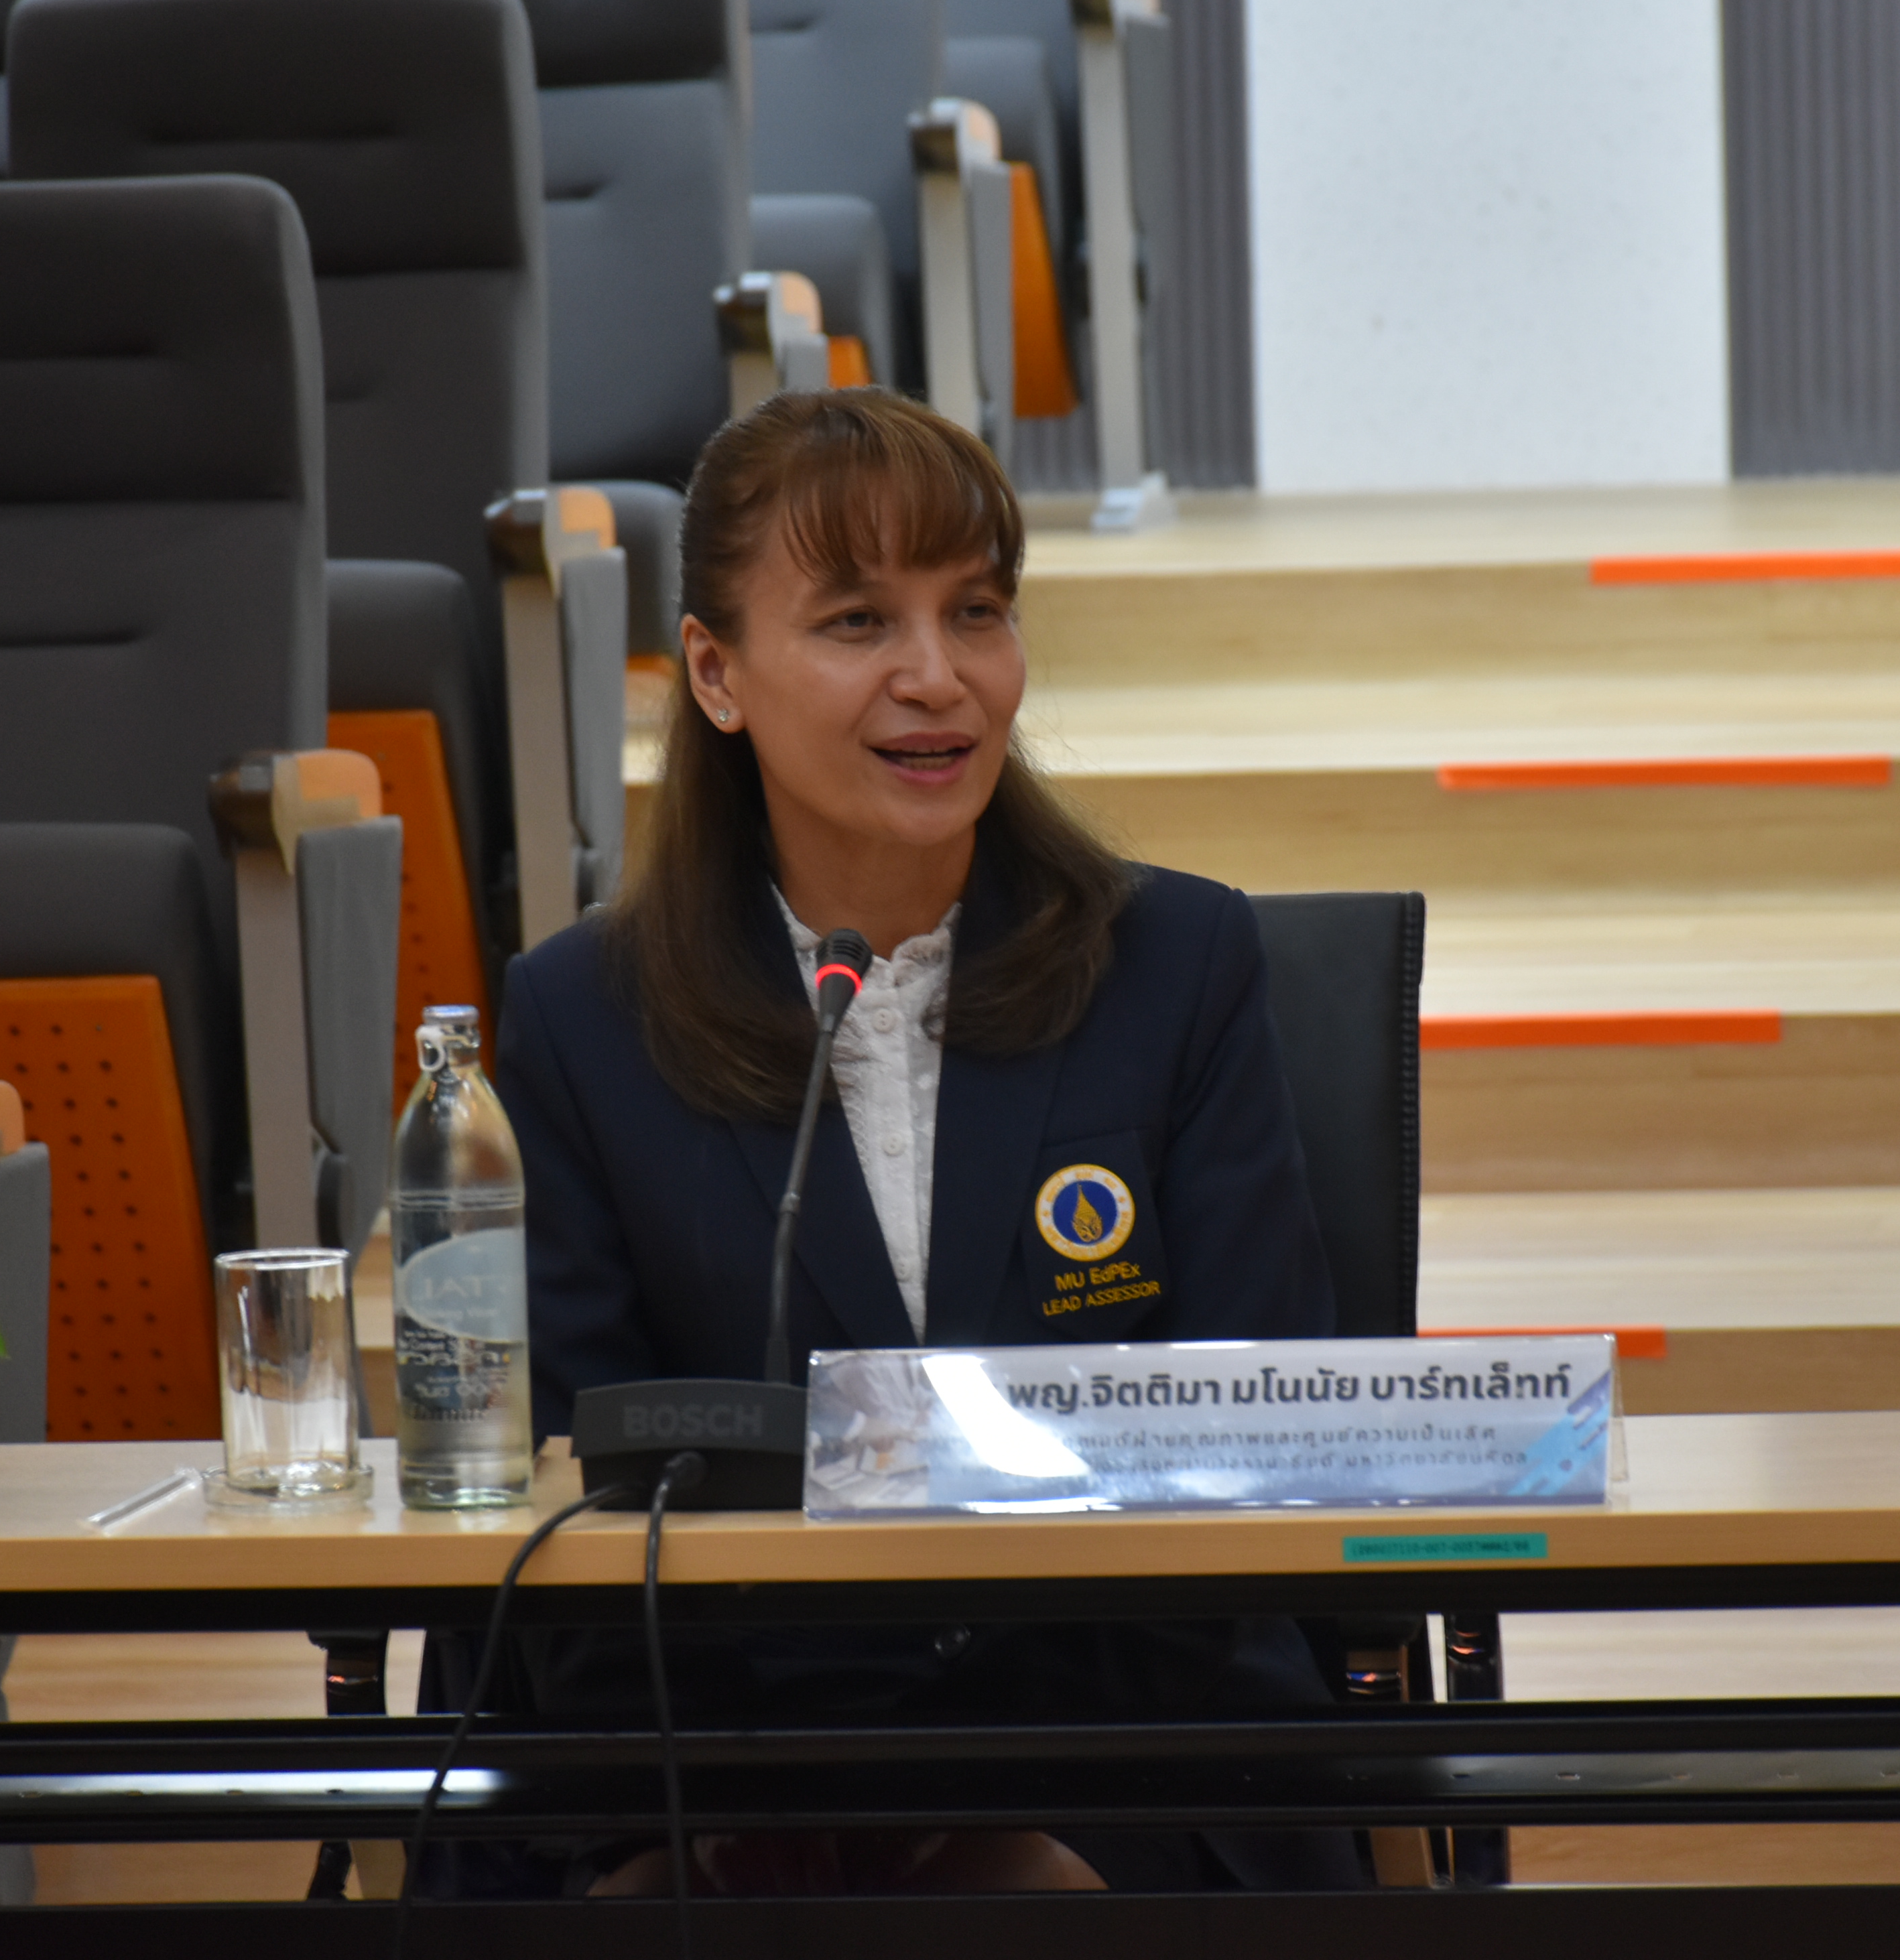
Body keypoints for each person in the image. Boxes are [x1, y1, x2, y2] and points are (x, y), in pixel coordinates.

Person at [493, 387, 1358, 1896]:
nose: (939, 678)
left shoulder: (1179, 965)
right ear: (715, 672)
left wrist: (987, 1810)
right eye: (856, 623)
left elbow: (1250, 1429)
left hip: (1125, 1737)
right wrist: (793, 1804)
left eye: (976, 611)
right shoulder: (582, 1016)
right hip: (724, 1752)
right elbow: (576, 1493)